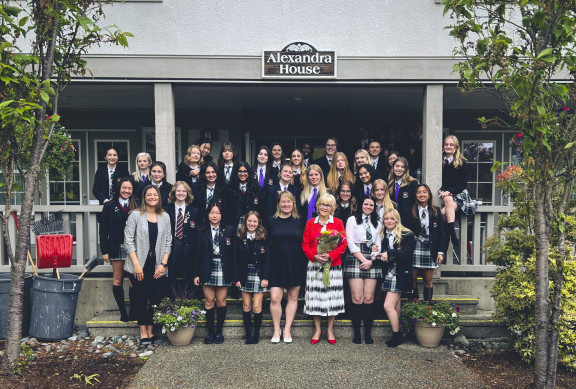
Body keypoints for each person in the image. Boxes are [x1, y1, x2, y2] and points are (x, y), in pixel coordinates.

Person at [124, 185, 172, 345]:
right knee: (140, 298)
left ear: (159, 197)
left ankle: (151, 330)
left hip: (157, 264)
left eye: (155, 195)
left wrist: (163, 264)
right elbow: (128, 241)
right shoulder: (135, 215)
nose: (152, 197)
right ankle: (143, 332)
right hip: (138, 264)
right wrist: (136, 265)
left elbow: (168, 241)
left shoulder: (165, 216)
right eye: (149, 195)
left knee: (156, 297)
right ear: (144, 197)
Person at [302, 194, 347, 344]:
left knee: (331, 298)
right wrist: (315, 256)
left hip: (332, 266)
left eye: (328, 205)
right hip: (315, 266)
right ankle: (317, 329)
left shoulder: (338, 223)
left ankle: (329, 329)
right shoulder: (310, 223)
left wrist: (330, 256)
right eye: (322, 204)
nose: (324, 208)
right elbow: (305, 245)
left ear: (332, 208)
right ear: (317, 206)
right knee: (316, 298)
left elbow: (343, 244)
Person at [194, 202, 236, 344]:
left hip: (223, 269)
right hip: (207, 268)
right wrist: (196, 274)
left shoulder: (229, 230)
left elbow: (233, 255)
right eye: (212, 212)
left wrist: (234, 275)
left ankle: (219, 332)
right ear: (208, 214)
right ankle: (210, 332)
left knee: (221, 301)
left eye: (217, 213)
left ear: (221, 215)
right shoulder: (201, 230)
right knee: (209, 301)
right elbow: (197, 254)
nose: (215, 215)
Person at [374, 208, 416, 347]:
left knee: (388, 306)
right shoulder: (383, 235)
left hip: (401, 274)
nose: (389, 221)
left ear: (397, 220)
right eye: (386, 219)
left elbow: (406, 254)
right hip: (389, 272)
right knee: (396, 306)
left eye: (392, 218)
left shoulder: (407, 234)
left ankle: (397, 336)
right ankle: (400, 332)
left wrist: (389, 252)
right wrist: (376, 255)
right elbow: (386, 257)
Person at [99, 176, 137, 322]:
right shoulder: (109, 206)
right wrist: (105, 251)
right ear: (119, 189)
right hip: (116, 246)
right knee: (118, 278)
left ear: (133, 190)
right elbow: (103, 230)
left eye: (129, 188)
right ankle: (123, 312)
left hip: (133, 248)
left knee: (134, 280)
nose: (126, 191)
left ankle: (134, 311)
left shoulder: (137, 205)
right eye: (124, 188)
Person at [268, 191, 304, 343]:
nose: (286, 204)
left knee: (293, 297)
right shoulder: (271, 220)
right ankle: (277, 330)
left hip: (295, 262)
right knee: (275, 297)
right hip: (276, 262)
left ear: (293, 203)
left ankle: (287, 329)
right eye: (283, 202)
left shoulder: (300, 220)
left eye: (289, 202)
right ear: (279, 204)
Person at [345, 197, 382, 344]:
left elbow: (378, 244)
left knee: (369, 298)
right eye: (366, 204)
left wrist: (371, 260)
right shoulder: (352, 220)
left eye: (371, 205)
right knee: (357, 298)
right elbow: (350, 242)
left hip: (371, 259)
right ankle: (357, 334)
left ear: (374, 207)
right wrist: (363, 260)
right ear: (361, 205)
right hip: (356, 257)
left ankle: (367, 333)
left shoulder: (377, 223)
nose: (368, 207)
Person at [234, 211, 269, 344]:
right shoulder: (239, 236)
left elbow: (267, 258)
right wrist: (236, 278)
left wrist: (265, 277)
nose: (252, 224)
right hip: (244, 273)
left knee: (257, 307)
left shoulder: (264, 236)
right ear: (245, 222)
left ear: (258, 223)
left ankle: (256, 335)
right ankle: (248, 334)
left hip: (258, 274)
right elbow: (235, 259)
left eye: (254, 221)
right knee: (246, 305)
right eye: (249, 221)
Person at [439, 135, 476, 262]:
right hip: (447, 196)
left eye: (451, 145)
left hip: (459, 195)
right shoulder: (441, 162)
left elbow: (462, 184)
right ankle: (452, 235)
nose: (448, 147)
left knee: (445, 209)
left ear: (456, 148)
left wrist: (449, 192)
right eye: (446, 144)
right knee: (445, 207)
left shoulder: (461, 162)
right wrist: (442, 190)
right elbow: (442, 181)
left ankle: (450, 236)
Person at [406, 184, 444, 302]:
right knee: (412, 279)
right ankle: (414, 306)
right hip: (414, 247)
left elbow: (441, 234)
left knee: (428, 280)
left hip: (430, 247)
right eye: (419, 192)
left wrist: (440, 252)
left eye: (424, 192)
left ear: (429, 195)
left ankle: (427, 307)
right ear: (415, 195)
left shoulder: (436, 211)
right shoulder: (409, 211)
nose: (422, 194)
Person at [164, 181, 199, 298]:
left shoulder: (194, 211)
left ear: (188, 193)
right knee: (170, 277)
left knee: (187, 277)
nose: (181, 193)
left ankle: (189, 304)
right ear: (174, 192)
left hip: (188, 249)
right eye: (178, 191)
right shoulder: (166, 210)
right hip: (172, 246)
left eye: (184, 191)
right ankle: (170, 303)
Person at [227, 161, 262, 229]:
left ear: (249, 173)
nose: (242, 174)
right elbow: (227, 210)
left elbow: (261, 208)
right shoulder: (230, 189)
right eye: (240, 171)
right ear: (236, 173)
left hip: (253, 225)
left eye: (245, 171)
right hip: (234, 225)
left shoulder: (256, 188)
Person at [193, 161, 226, 227]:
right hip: (200, 225)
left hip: (218, 225)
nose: (211, 175)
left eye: (213, 172)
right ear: (204, 174)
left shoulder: (224, 188)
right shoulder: (196, 187)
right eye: (208, 173)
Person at [388, 157, 419, 223]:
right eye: (397, 166)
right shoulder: (389, 183)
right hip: (392, 220)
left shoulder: (413, 183)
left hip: (408, 221)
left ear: (405, 169)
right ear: (393, 167)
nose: (399, 169)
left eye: (402, 167)